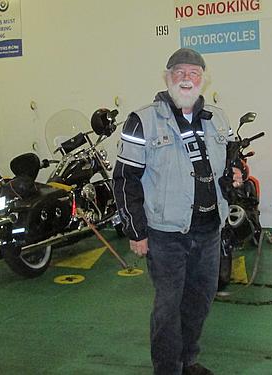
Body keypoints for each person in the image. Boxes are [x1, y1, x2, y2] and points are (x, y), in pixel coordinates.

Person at [113, 48, 239, 375]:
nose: (187, 78)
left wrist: (233, 176)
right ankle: (168, 369)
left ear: (203, 79)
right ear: (167, 77)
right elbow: (125, 179)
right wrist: (136, 231)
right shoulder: (142, 121)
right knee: (168, 308)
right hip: (166, 234)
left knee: (199, 301)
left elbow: (226, 165)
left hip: (209, 229)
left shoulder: (217, 117)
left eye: (194, 73)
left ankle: (188, 361)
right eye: (180, 72)